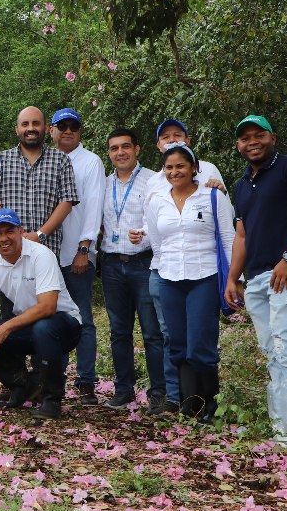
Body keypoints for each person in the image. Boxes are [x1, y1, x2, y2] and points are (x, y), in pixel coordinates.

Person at [224, 115, 287, 448]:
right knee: (272, 352)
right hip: (255, 279)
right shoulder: (241, 184)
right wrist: (232, 277)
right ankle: (283, 430)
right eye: (244, 138)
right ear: (238, 145)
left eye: (258, 135)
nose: (251, 141)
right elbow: (242, 235)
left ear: (272, 137)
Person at [136, 143, 233, 423]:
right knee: (176, 344)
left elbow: (228, 238)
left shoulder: (213, 196)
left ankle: (210, 406)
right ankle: (190, 406)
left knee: (200, 346)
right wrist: (165, 268)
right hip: (169, 278)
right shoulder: (158, 201)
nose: (174, 171)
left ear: (194, 169)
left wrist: (234, 280)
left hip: (203, 277)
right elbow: (157, 242)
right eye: (169, 167)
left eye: (180, 166)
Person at [0, 209, 82, 419]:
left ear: (21, 231)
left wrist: (3, 328)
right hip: (29, 326)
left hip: (64, 325)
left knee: (43, 327)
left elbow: (47, 307)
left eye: (9, 231)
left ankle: (51, 398)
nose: (3, 239)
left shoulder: (41, 255)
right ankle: (23, 386)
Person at [98, 129, 165, 412]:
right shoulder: (104, 183)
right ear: (109, 153)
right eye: (114, 148)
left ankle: (159, 393)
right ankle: (124, 389)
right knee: (119, 331)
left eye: (126, 146)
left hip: (144, 263)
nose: (120, 152)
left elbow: (166, 217)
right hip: (112, 264)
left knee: (152, 332)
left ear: (137, 149)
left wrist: (147, 236)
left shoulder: (154, 180)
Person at [49, 108, 105, 406]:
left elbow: (94, 207)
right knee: (50, 318)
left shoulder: (90, 162)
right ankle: (52, 378)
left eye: (73, 126)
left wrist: (85, 249)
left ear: (80, 131)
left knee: (82, 317)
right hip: (47, 254)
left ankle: (85, 382)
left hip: (76, 253)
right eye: (62, 126)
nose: (67, 131)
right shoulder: (44, 158)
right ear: (51, 130)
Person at [0, 106, 78, 259]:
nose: (31, 128)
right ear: (17, 129)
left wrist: (40, 234)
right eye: (25, 124)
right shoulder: (1, 160)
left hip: (47, 248)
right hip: (9, 248)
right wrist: (12, 232)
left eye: (36, 123)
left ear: (46, 128)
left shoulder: (61, 160)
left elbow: (66, 203)